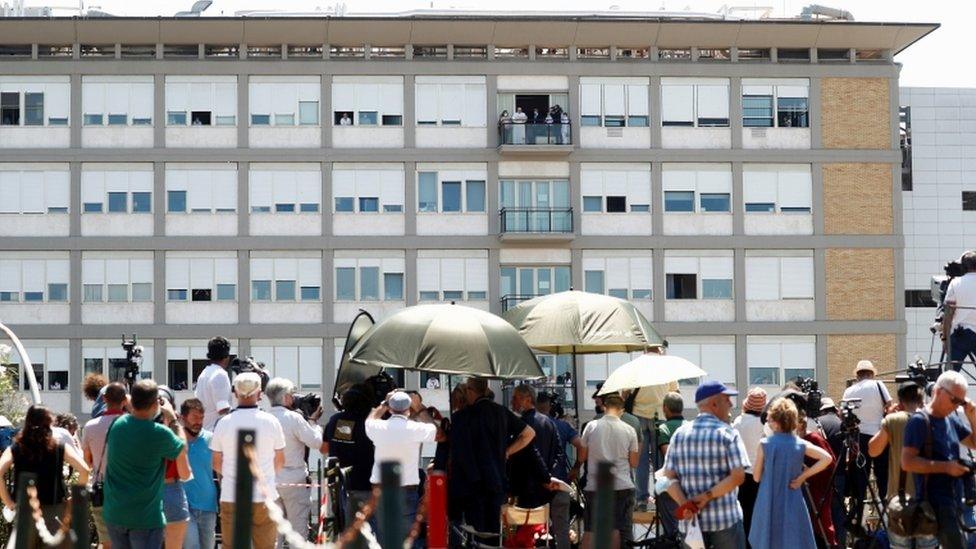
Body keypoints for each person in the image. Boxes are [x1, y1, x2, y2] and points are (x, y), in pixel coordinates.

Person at [102, 380, 188, 549]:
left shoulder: (117, 425)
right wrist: (172, 419)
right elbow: (183, 458)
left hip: (115, 513)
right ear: (156, 403)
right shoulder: (160, 433)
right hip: (145, 518)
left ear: (132, 400)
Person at [664, 380, 749, 549]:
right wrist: (706, 497)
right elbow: (738, 476)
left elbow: (668, 478)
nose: (731, 404)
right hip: (725, 521)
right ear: (714, 403)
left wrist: (684, 503)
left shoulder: (679, 435)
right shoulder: (728, 433)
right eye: (727, 400)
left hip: (691, 524)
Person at [449, 377, 535, 540]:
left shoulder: (461, 417)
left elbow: (459, 453)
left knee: (475, 534)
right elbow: (529, 433)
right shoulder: (501, 411)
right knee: (495, 534)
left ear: (470, 391)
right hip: (496, 481)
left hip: (472, 484)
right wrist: (507, 451)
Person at [210, 372, 286, 549]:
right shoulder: (271, 421)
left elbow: (215, 462)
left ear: (235, 393)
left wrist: (230, 475)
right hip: (264, 496)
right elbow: (280, 460)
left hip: (232, 494)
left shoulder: (223, 423)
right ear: (260, 393)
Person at [902, 370, 976, 549]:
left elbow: (973, 443)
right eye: (954, 400)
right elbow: (907, 462)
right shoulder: (919, 421)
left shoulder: (951, 419)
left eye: (961, 401)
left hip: (954, 499)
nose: (957, 405)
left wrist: (972, 417)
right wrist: (946, 467)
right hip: (934, 504)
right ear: (938, 392)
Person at [0, 405, 91, 549]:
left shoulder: (17, 447)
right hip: (54, 510)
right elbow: (84, 470)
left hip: (25, 511)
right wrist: (72, 500)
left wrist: (9, 502)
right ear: (49, 422)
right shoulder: (58, 447)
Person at [748, 398, 832, 549]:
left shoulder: (765, 444)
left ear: (775, 421)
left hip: (768, 500)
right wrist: (802, 477)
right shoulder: (800, 443)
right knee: (793, 540)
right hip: (793, 498)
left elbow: (756, 477)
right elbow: (827, 458)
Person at [868, 382, 935, 549]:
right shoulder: (933, 419)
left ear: (900, 400)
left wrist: (887, 420)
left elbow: (873, 450)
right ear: (921, 399)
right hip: (929, 499)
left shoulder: (893, 420)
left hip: (900, 500)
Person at [365, 390, 438, 541]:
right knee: (406, 539)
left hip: (381, 490)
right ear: (408, 408)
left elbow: (370, 419)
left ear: (390, 409)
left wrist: (384, 403)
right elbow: (433, 429)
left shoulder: (379, 428)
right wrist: (419, 408)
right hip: (406, 491)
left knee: (383, 537)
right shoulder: (415, 429)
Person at [266, 377, 329, 544]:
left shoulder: (263, 418)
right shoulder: (293, 418)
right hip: (294, 479)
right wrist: (313, 422)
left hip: (270, 481)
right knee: (298, 531)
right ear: (286, 397)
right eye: (292, 394)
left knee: (273, 533)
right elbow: (316, 442)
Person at [579, 392, 639, 549]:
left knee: (590, 530)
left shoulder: (591, 426)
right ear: (622, 410)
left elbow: (582, 456)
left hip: (595, 484)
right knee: (615, 529)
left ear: (605, 407)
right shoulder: (629, 430)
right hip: (621, 485)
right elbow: (634, 462)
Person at [324, 384, 376, 548]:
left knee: (347, 530)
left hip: (340, 484)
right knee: (370, 530)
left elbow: (323, 448)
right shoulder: (370, 423)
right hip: (367, 482)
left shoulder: (335, 420)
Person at [81, 382, 127, 549]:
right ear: (125, 400)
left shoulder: (90, 427)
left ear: (104, 399)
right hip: (129, 489)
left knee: (107, 543)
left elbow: (87, 461)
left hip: (102, 490)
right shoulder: (134, 425)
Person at [841, 359, 892, 503]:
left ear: (857, 375)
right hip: (879, 434)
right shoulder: (878, 385)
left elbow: (842, 412)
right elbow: (889, 405)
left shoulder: (849, 390)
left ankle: (858, 510)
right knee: (883, 475)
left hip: (858, 437)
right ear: (872, 374)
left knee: (860, 477)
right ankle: (885, 507)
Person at [536, 392, 579, 549]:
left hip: (536, 486)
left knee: (535, 530)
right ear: (550, 406)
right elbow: (582, 446)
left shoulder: (530, 425)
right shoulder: (562, 426)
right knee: (562, 530)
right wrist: (576, 468)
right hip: (560, 482)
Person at [509, 384, 562, 509]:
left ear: (527, 399)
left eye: (515, 398)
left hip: (526, 487)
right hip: (547, 488)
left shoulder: (521, 424)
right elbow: (559, 453)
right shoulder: (549, 422)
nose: (512, 402)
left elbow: (530, 454)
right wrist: (550, 477)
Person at [794, 397, 837, 548]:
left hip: (819, 487)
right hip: (809, 486)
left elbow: (830, 462)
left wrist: (807, 471)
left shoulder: (813, 438)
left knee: (823, 522)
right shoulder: (799, 440)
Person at [179, 399, 218, 549]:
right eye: (194, 417)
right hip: (184, 506)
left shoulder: (210, 439)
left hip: (209, 506)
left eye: (201, 418)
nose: (199, 422)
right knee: (192, 546)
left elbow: (220, 470)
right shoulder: (175, 440)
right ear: (183, 418)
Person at [732, 387, 767, 546]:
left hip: (742, 476)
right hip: (761, 475)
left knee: (745, 517)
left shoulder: (738, 422)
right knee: (760, 519)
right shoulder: (765, 425)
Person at [943, 251, 976, 371]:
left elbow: (948, 314)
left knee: (950, 374)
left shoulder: (955, 283)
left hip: (960, 336)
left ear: (963, 267)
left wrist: (945, 338)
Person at [195, 336, 233, 431]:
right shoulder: (220, 374)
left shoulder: (204, 373)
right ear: (226, 356)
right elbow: (223, 409)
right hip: (216, 432)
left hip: (205, 430)